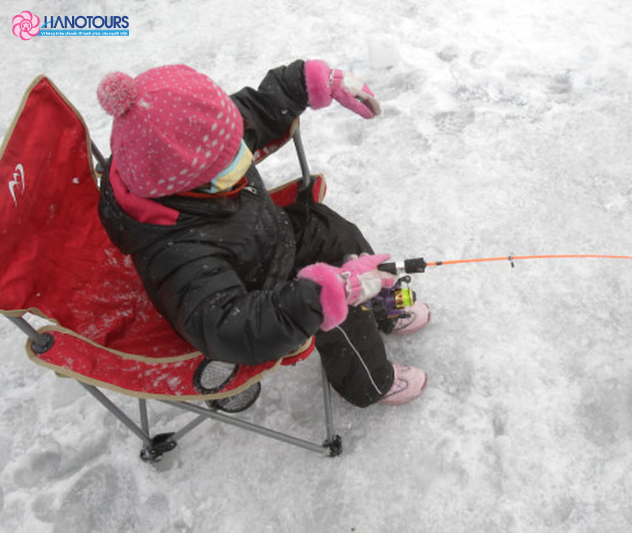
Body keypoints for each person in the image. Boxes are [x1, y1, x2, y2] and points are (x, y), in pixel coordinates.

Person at [95, 59, 430, 407]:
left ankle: (382, 307)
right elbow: (229, 327)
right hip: (257, 290)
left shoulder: (195, 135)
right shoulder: (177, 252)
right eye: (229, 163)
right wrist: (321, 297)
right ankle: (371, 382)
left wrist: (315, 81)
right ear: (184, 185)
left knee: (336, 234)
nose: (244, 153)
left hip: (266, 234)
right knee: (343, 311)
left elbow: (259, 108)